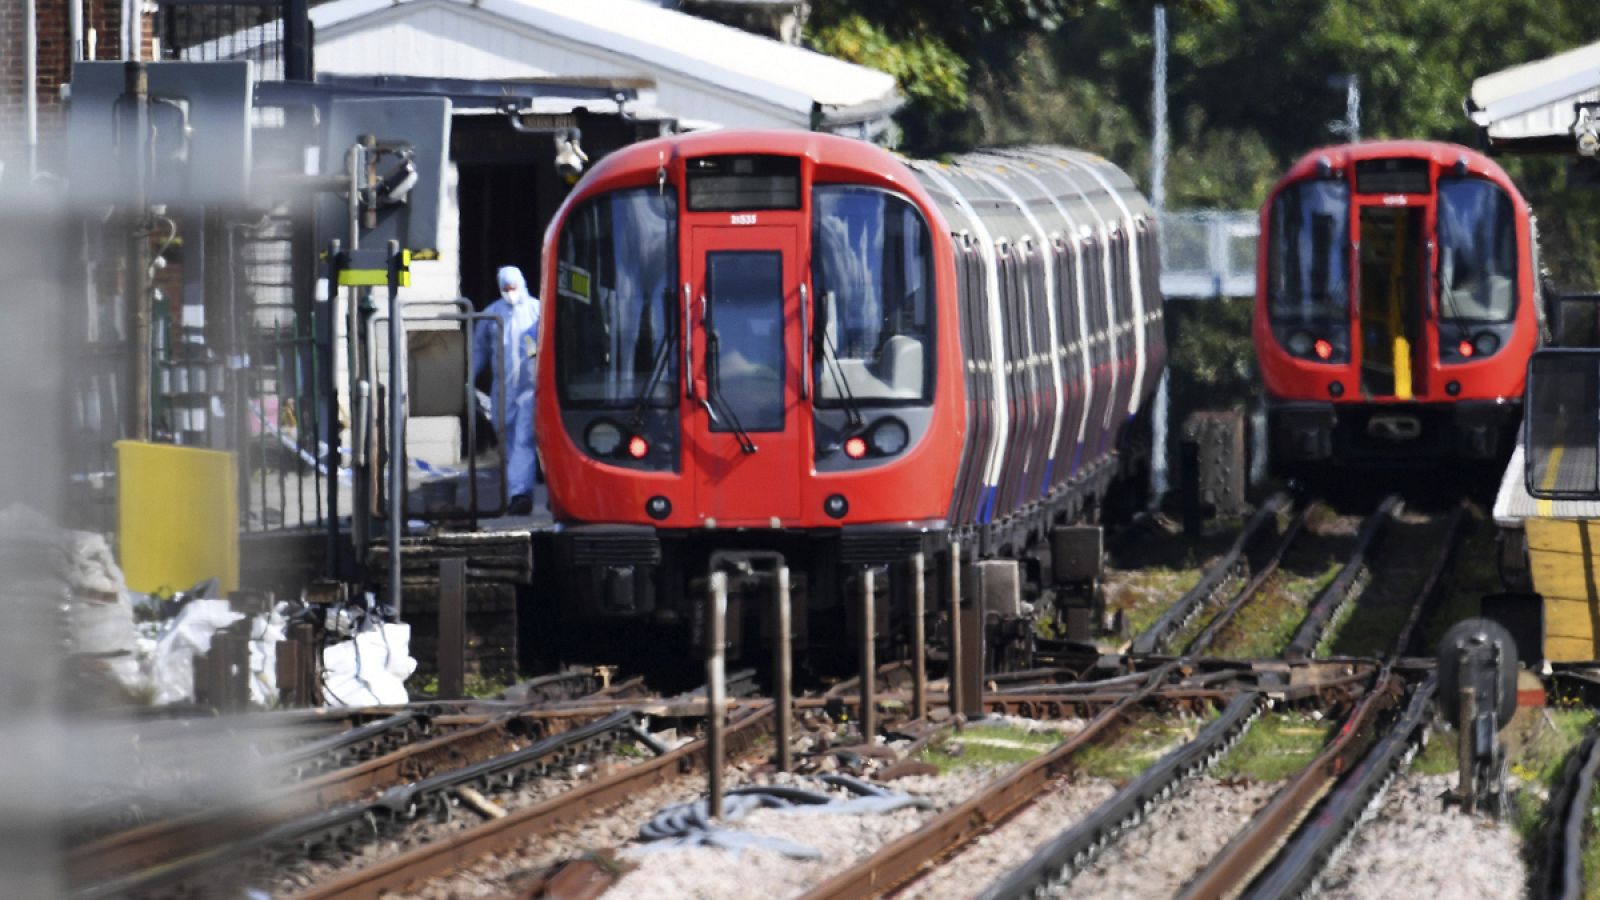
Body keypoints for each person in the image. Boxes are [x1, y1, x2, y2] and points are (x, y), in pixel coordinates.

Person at [473, 265, 540, 515]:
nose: (510, 293)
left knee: (524, 439)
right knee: (506, 439)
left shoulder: (536, 311)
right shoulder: (492, 315)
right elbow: (479, 349)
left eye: (513, 288)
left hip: (529, 388)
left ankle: (519, 493)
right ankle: (516, 490)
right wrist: (468, 376)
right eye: (505, 289)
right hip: (502, 390)